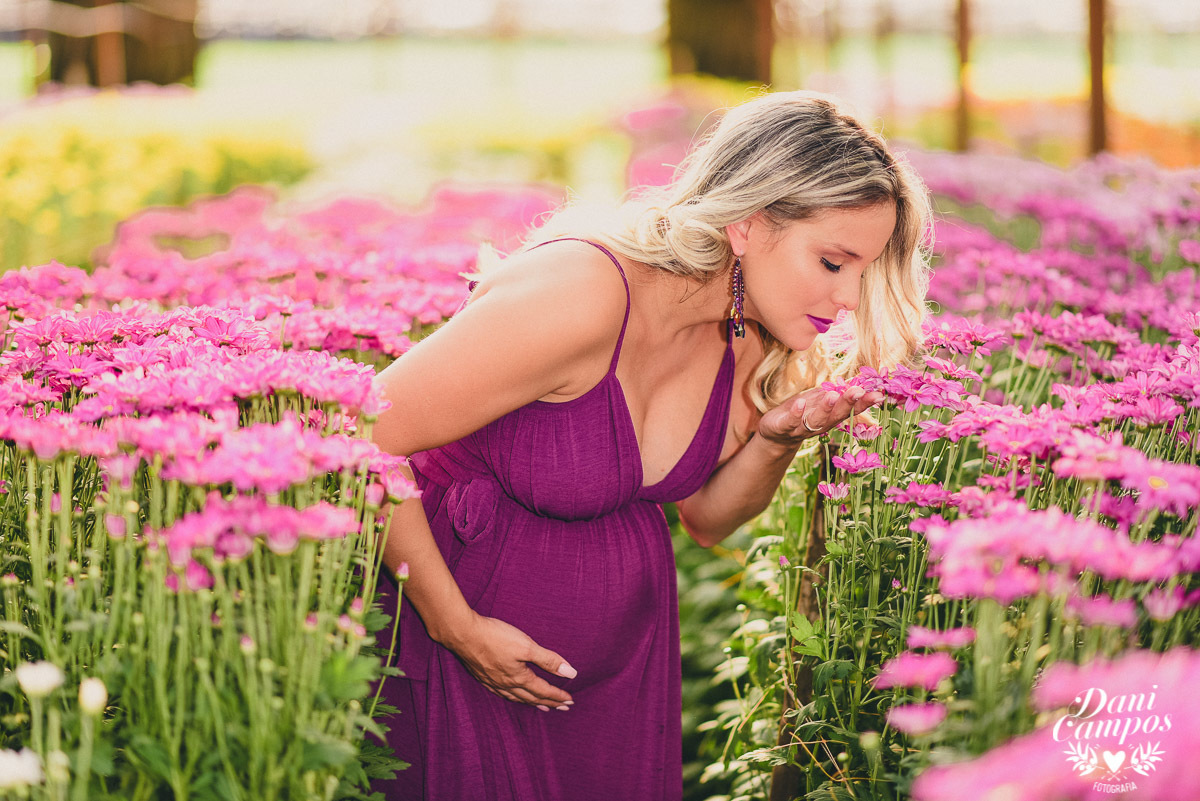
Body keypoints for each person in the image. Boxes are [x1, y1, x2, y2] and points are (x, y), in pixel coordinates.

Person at [368, 89, 932, 800]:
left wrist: (776, 437)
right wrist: (457, 626)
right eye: (832, 262)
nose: (850, 297)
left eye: (864, 270)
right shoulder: (583, 290)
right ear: (748, 226)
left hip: (615, 689)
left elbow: (706, 516)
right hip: (461, 660)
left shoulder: (743, 330)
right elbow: (363, 435)